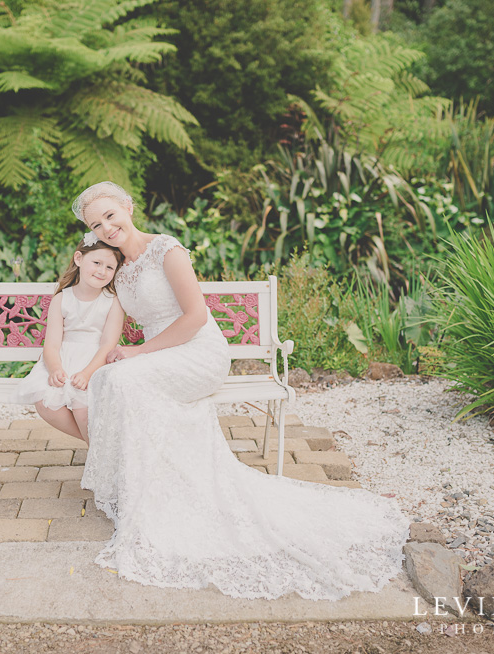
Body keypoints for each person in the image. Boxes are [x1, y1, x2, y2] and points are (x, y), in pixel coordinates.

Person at [74, 181, 410, 601]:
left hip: (197, 350)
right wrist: (95, 363)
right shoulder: (118, 270)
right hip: (159, 355)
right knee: (110, 378)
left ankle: (168, 488)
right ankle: (150, 483)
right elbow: (110, 329)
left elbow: (196, 317)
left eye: (110, 215)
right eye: (95, 224)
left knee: (125, 378)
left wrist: (138, 352)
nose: (106, 226)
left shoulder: (168, 251)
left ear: (127, 207)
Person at [11, 235, 125, 443]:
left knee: (83, 405)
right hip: (65, 358)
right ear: (79, 259)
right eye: (97, 263)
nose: (101, 271)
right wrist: (55, 369)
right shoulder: (62, 299)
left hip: (97, 360)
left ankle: (100, 453)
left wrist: (88, 373)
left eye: (109, 267)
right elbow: (52, 345)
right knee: (45, 402)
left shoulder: (112, 302)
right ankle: (100, 446)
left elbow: (108, 344)